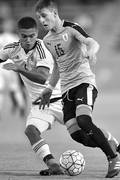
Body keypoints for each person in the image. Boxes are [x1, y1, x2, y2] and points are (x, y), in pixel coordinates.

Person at [1, 16, 120, 177]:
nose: (28, 40)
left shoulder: (44, 48)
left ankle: (112, 143)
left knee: (83, 135)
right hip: (41, 105)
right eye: (24, 36)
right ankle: (53, 164)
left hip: (60, 101)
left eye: (32, 36)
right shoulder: (10, 48)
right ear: (18, 34)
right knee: (31, 130)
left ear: (37, 34)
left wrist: (18, 68)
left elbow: (42, 76)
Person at [34, 0, 120, 178]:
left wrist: (91, 51)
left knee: (83, 120)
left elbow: (92, 42)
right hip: (67, 90)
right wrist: (49, 88)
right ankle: (110, 141)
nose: (41, 20)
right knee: (77, 135)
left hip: (84, 83)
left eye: (44, 15)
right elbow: (58, 66)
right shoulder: (47, 40)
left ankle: (113, 157)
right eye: (39, 17)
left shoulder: (72, 28)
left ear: (54, 13)